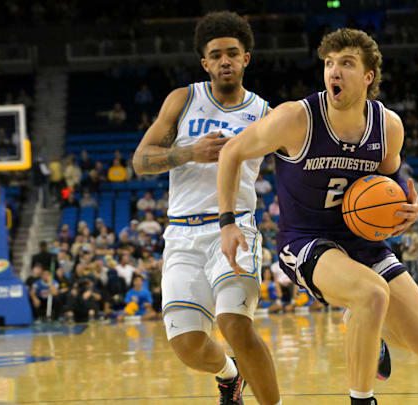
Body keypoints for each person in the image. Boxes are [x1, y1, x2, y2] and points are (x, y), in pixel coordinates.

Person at [217, 28, 418, 405]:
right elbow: (231, 153)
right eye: (329, 63)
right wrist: (227, 222)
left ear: (368, 76)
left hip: (362, 241)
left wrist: (409, 204)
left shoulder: (388, 126)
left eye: (347, 64)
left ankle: (361, 325)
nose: (334, 72)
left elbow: (391, 177)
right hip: (306, 240)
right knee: (371, 294)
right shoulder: (295, 118)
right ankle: (362, 399)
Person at [130, 11, 280, 405]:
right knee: (188, 345)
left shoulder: (265, 113)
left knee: (235, 324)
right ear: (205, 63)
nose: (225, 61)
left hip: (234, 229)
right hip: (181, 234)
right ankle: (230, 375)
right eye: (216, 55)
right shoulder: (183, 99)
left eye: (233, 53)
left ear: (246, 58)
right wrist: (188, 152)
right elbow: (140, 160)